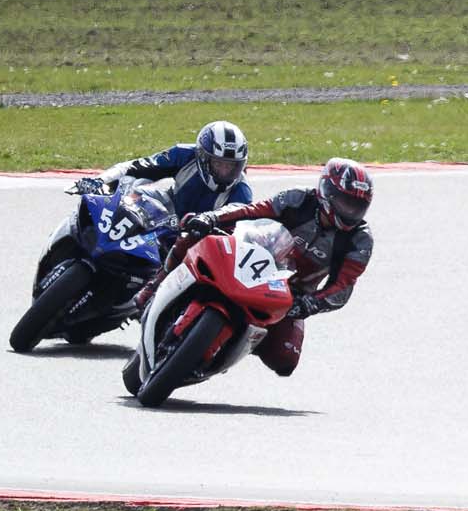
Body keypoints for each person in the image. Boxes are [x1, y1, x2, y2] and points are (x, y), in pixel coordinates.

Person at [146, 158, 375, 377]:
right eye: (346, 202)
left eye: (357, 206)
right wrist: (212, 218)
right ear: (327, 192)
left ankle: (233, 344)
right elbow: (252, 211)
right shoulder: (299, 199)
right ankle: (154, 286)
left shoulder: (359, 240)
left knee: (285, 360)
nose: (350, 211)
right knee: (193, 233)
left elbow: (342, 287)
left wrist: (309, 304)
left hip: (290, 295)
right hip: (252, 258)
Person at [72, 120, 253, 215]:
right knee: (130, 192)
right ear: (204, 158)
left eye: (231, 166)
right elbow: (136, 167)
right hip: (168, 208)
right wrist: (100, 181)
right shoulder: (184, 155)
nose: (224, 172)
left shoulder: (242, 192)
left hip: (202, 237)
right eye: (218, 163)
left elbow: (241, 232)